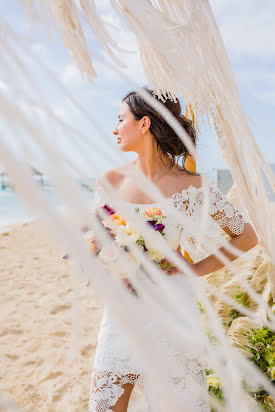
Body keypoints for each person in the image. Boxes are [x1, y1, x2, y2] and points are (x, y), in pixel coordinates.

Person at [88, 89, 258, 411]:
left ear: (144, 124)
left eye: (120, 119)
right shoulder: (110, 180)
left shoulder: (194, 186)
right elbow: (98, 242)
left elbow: (246, 236)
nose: (114, 128)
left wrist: (195, 268)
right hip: (123, 310)